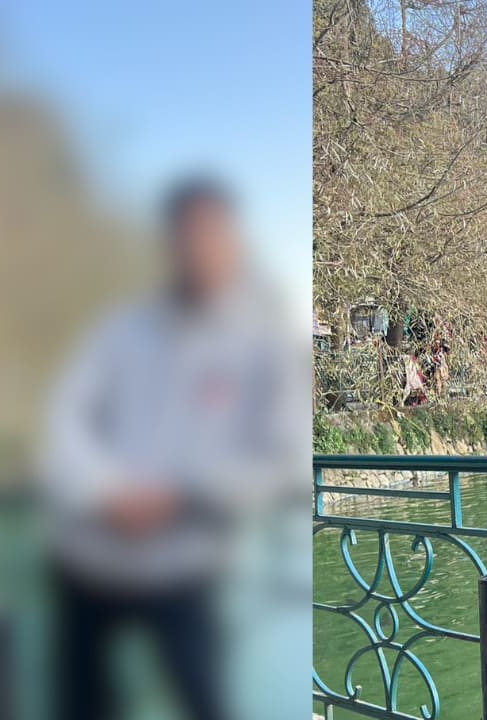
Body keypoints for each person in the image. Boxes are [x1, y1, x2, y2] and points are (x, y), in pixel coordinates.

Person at [40, 177, 304, 720]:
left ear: (233, 242)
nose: (198, 250)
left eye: (211, 235)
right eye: (187, 236)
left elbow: (282, 456)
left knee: (205, 701)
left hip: (186, 568)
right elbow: (65, 420)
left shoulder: (262, 343)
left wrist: (183, 495)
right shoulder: (121, 328)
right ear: (169, 244)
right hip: (90, 558)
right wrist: (107, 491)